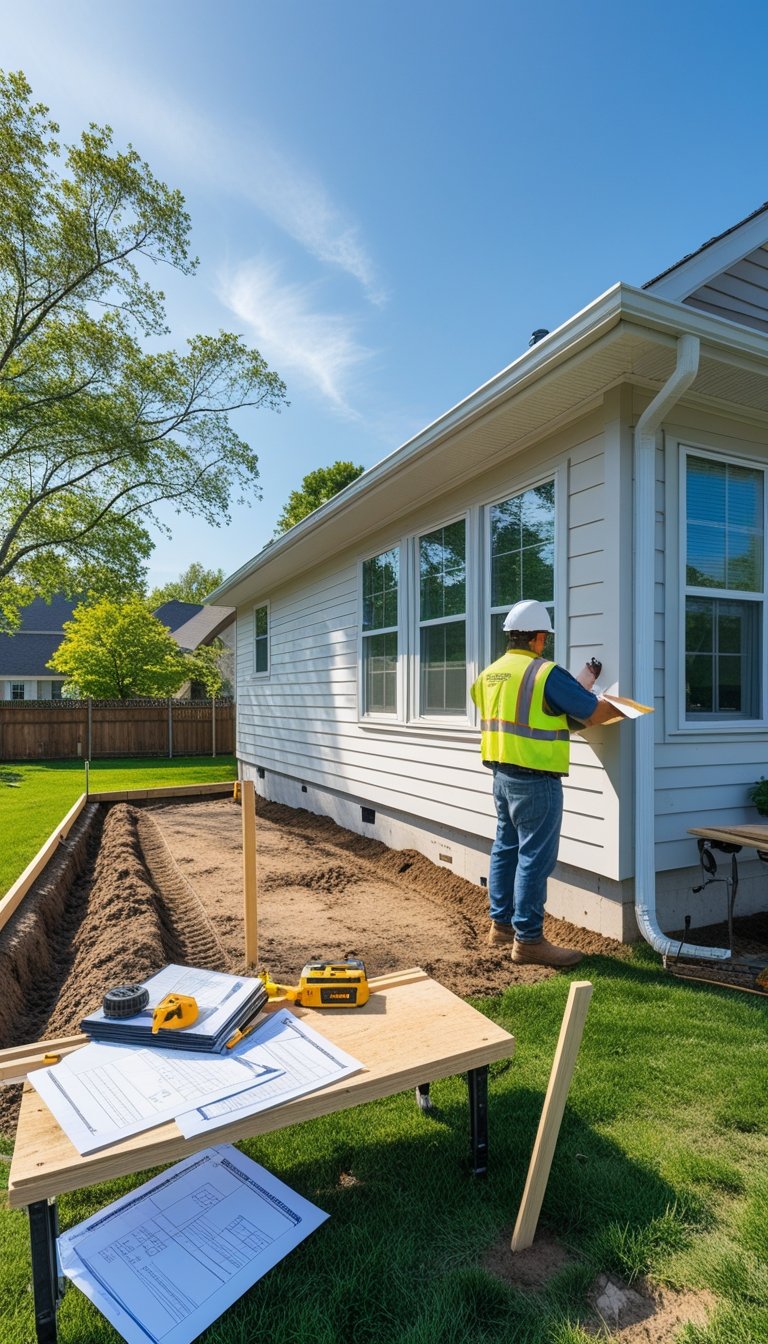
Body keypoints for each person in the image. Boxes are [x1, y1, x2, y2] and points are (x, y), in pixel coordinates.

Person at [470, 599, 616, 968]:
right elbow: (592, 711)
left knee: (506, 848)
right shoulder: (545, 673)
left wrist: (579, 687)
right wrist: (620, 705)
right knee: (534, 859)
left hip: (502, 776)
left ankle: (501, 927)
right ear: (538, 638)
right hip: (537, 780)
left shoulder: (489, 675)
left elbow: (534, 713)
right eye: (544, 639)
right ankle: (529, 941)